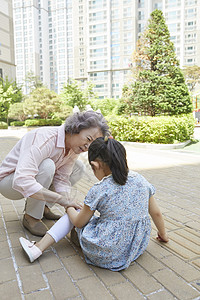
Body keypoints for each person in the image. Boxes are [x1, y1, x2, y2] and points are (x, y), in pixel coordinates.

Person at [19, 137, 169, 270]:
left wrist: (68, 206)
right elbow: (156, 213)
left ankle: (38, 248)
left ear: (95, 165)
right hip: (134, 247)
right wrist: (163, 235)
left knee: (76, 213)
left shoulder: (100, 189)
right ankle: (73, 239)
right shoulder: (141, 180)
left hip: (104, 251)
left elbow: (78, 222)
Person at [0, 111, 109, 236]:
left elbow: (61, 179)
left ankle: (44, 207)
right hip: (9, 182)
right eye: (88, 139)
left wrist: (68, 203)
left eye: (92, 144)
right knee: (47, 166)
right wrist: (61, 199)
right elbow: (22, 180)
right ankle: (31, 217)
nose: (87, 146)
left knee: (79, 168)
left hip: (25, 179)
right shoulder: (45, 138)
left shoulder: (73, 148)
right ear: (75, 128)